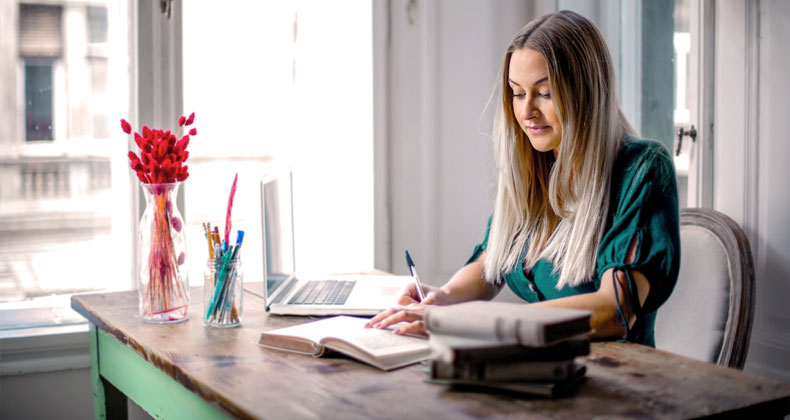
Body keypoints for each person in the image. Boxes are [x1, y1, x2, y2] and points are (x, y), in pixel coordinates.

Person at [365, 10, 680, 347]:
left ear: (587, 94)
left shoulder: (642, 169)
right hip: (535, 368)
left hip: (616, 378)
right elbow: (492, 263)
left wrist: (471, 322)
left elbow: (613, 311)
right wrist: (443, 297)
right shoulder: (536, 164)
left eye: (545, 93)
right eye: (517, 93)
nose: (527, 111)